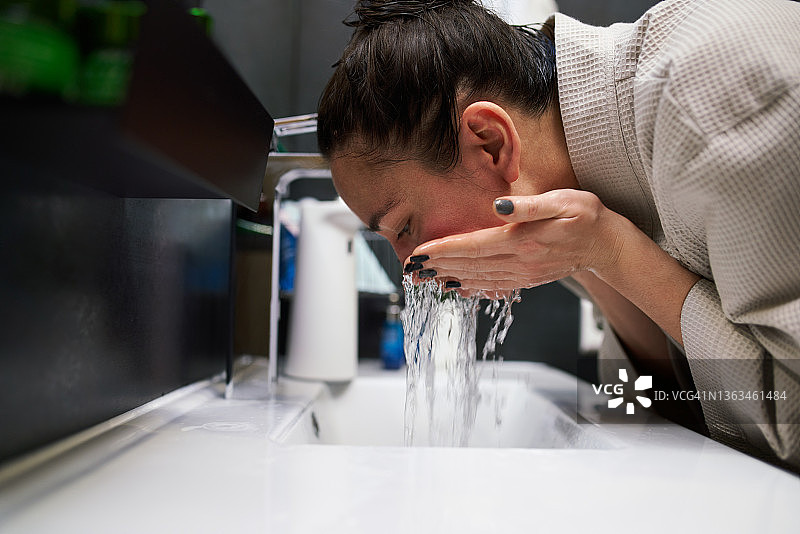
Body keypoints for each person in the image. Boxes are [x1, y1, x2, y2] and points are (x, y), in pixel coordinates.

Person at [316, 0, 800, 472]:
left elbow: (791, 424)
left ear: (490, 143)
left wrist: (616, 252)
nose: (413, 270)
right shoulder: (572, 190)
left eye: (404, 227)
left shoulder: (722, 104)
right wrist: (593, 259)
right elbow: (664, 408)